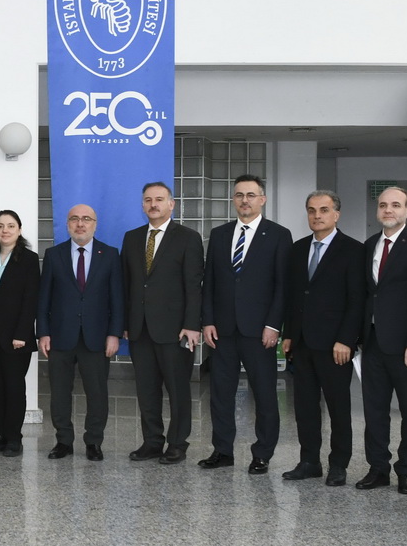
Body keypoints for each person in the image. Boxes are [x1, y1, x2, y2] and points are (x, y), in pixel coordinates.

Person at [199, 175, 289, 474]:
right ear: (233, 199)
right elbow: (210, 282)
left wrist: (274, 325)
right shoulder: (219, 234)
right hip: (222, 330)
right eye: (239, 195)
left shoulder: (278, 235)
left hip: (259, 330)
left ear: (262, 199)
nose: (244, 200)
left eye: (251, 195)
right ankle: (222, 450)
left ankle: (262, 453)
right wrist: (208, 321)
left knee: (264, 394)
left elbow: (282, 285)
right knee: (220, 394)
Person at [281, 190, 365, 486]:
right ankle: (309, 461)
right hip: (303, 343)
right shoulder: (298, 248)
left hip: (335, 345)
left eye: (324, 210)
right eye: (312, 210)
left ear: (336, 214)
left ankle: (338, 464)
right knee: (305, 407)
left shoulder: (353, 250)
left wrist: (347, 340)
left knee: (338, 407)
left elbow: (357, 300)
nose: (317, 216)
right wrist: (289, 334)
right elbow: (294, 296)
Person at [120, 182, 203, 464]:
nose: (153, 204)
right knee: (146, 390)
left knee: (178, 390)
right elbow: (127, 284)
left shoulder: (188, 238)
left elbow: (194, 285)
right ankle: (152, 441)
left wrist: (192, 325)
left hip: (176, 329)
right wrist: (125, 322)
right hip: (139, 329)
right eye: (148, 200)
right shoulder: (132, 238)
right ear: (142, 205)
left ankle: (178, 443)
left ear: (171, 204)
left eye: (159, 199)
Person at [358, 185, 407, 494]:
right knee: (374, 410)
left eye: (396, 205)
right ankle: (378, 468)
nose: (388, 210)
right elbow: (367, 294)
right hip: (373, 342)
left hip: (406, 347)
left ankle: (406, 469)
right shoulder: (369, 245)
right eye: (383, 205)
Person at [37, 204, 124, 461]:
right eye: (74, 219)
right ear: (67, 225)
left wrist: (114, 334)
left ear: (95, 224)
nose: (80, 224)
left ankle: (93, 441)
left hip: (96, 337)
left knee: (97, 393)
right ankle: (63, 441)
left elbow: (117, 298)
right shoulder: (53, 255)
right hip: (60, 336)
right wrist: (43, 332)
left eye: (86, 219)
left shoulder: (110, 255)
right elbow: (44, 298)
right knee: (59, 393)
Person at [0, 210, 39, 457]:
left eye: (11, 226)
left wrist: (22, 333)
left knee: (14, 388)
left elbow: (31, 299)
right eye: (0, 226)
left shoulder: (29, 259)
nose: (5, 230)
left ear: (19, 230)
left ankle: (14, 438)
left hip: (16, 337)